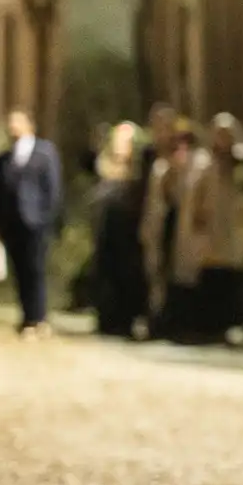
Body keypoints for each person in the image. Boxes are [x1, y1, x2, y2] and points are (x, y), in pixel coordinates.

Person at [0, 108, 64, 339]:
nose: (13, 127)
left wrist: (48, 218)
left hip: (37, 223)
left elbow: (53, 189)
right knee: (20, 271)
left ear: (29, 125)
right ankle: (26, 317)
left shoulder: (45, 152)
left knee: (36, 270)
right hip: (12, 224)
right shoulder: (3, 159)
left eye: (17, 122)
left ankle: (39, 317)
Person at [186, 114, 243, 339]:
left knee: (230, 276)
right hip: (210, 230)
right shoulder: (204, 164)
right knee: (211, 276)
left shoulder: (239, 163)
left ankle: (230, 323)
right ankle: (209, 326)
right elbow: (195, 195)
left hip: (232, 228)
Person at [89, 122, 148, 338]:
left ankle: (127, 319)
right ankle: (107, 318)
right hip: (106, 231)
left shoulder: (140, 173)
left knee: (129, 275)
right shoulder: (103, 167)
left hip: (130, 231)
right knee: (105, 274)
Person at [141, 123, 200, 337]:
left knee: (182, 278)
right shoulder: (160, 168)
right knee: (158, 277)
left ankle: (181, 324)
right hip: (163, 227)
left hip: (183, 232)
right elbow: (155, 201)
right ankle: (157, 322)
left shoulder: (195, 170)